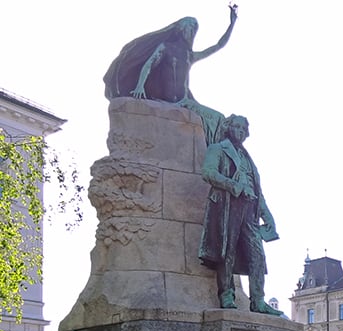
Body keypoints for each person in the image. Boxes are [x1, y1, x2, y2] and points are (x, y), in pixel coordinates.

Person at [103, 5, 238, 145]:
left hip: (186, 102)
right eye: (190, 27)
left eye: (195, 29)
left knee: (218, 119)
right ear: (180, 29)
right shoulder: (165, 47)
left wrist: (232, 24)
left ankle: (214, 155)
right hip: (168, 101)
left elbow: (218, 46)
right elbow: (149, 65)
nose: (192, 31)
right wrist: (139, 86)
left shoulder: (189, 55)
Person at [199, 114, 281, 313]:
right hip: (227, 205)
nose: (240, 132)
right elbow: (208, 173)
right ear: (228, 128)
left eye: (244, 129)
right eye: (237, 127)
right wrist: (234, 186)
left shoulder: (247, 157)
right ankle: (227, 295)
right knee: (228, 251)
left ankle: (258, 301)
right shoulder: (217, 149)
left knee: (257, 256)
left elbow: (257, 190)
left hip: (250, 210)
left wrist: (267, 216)